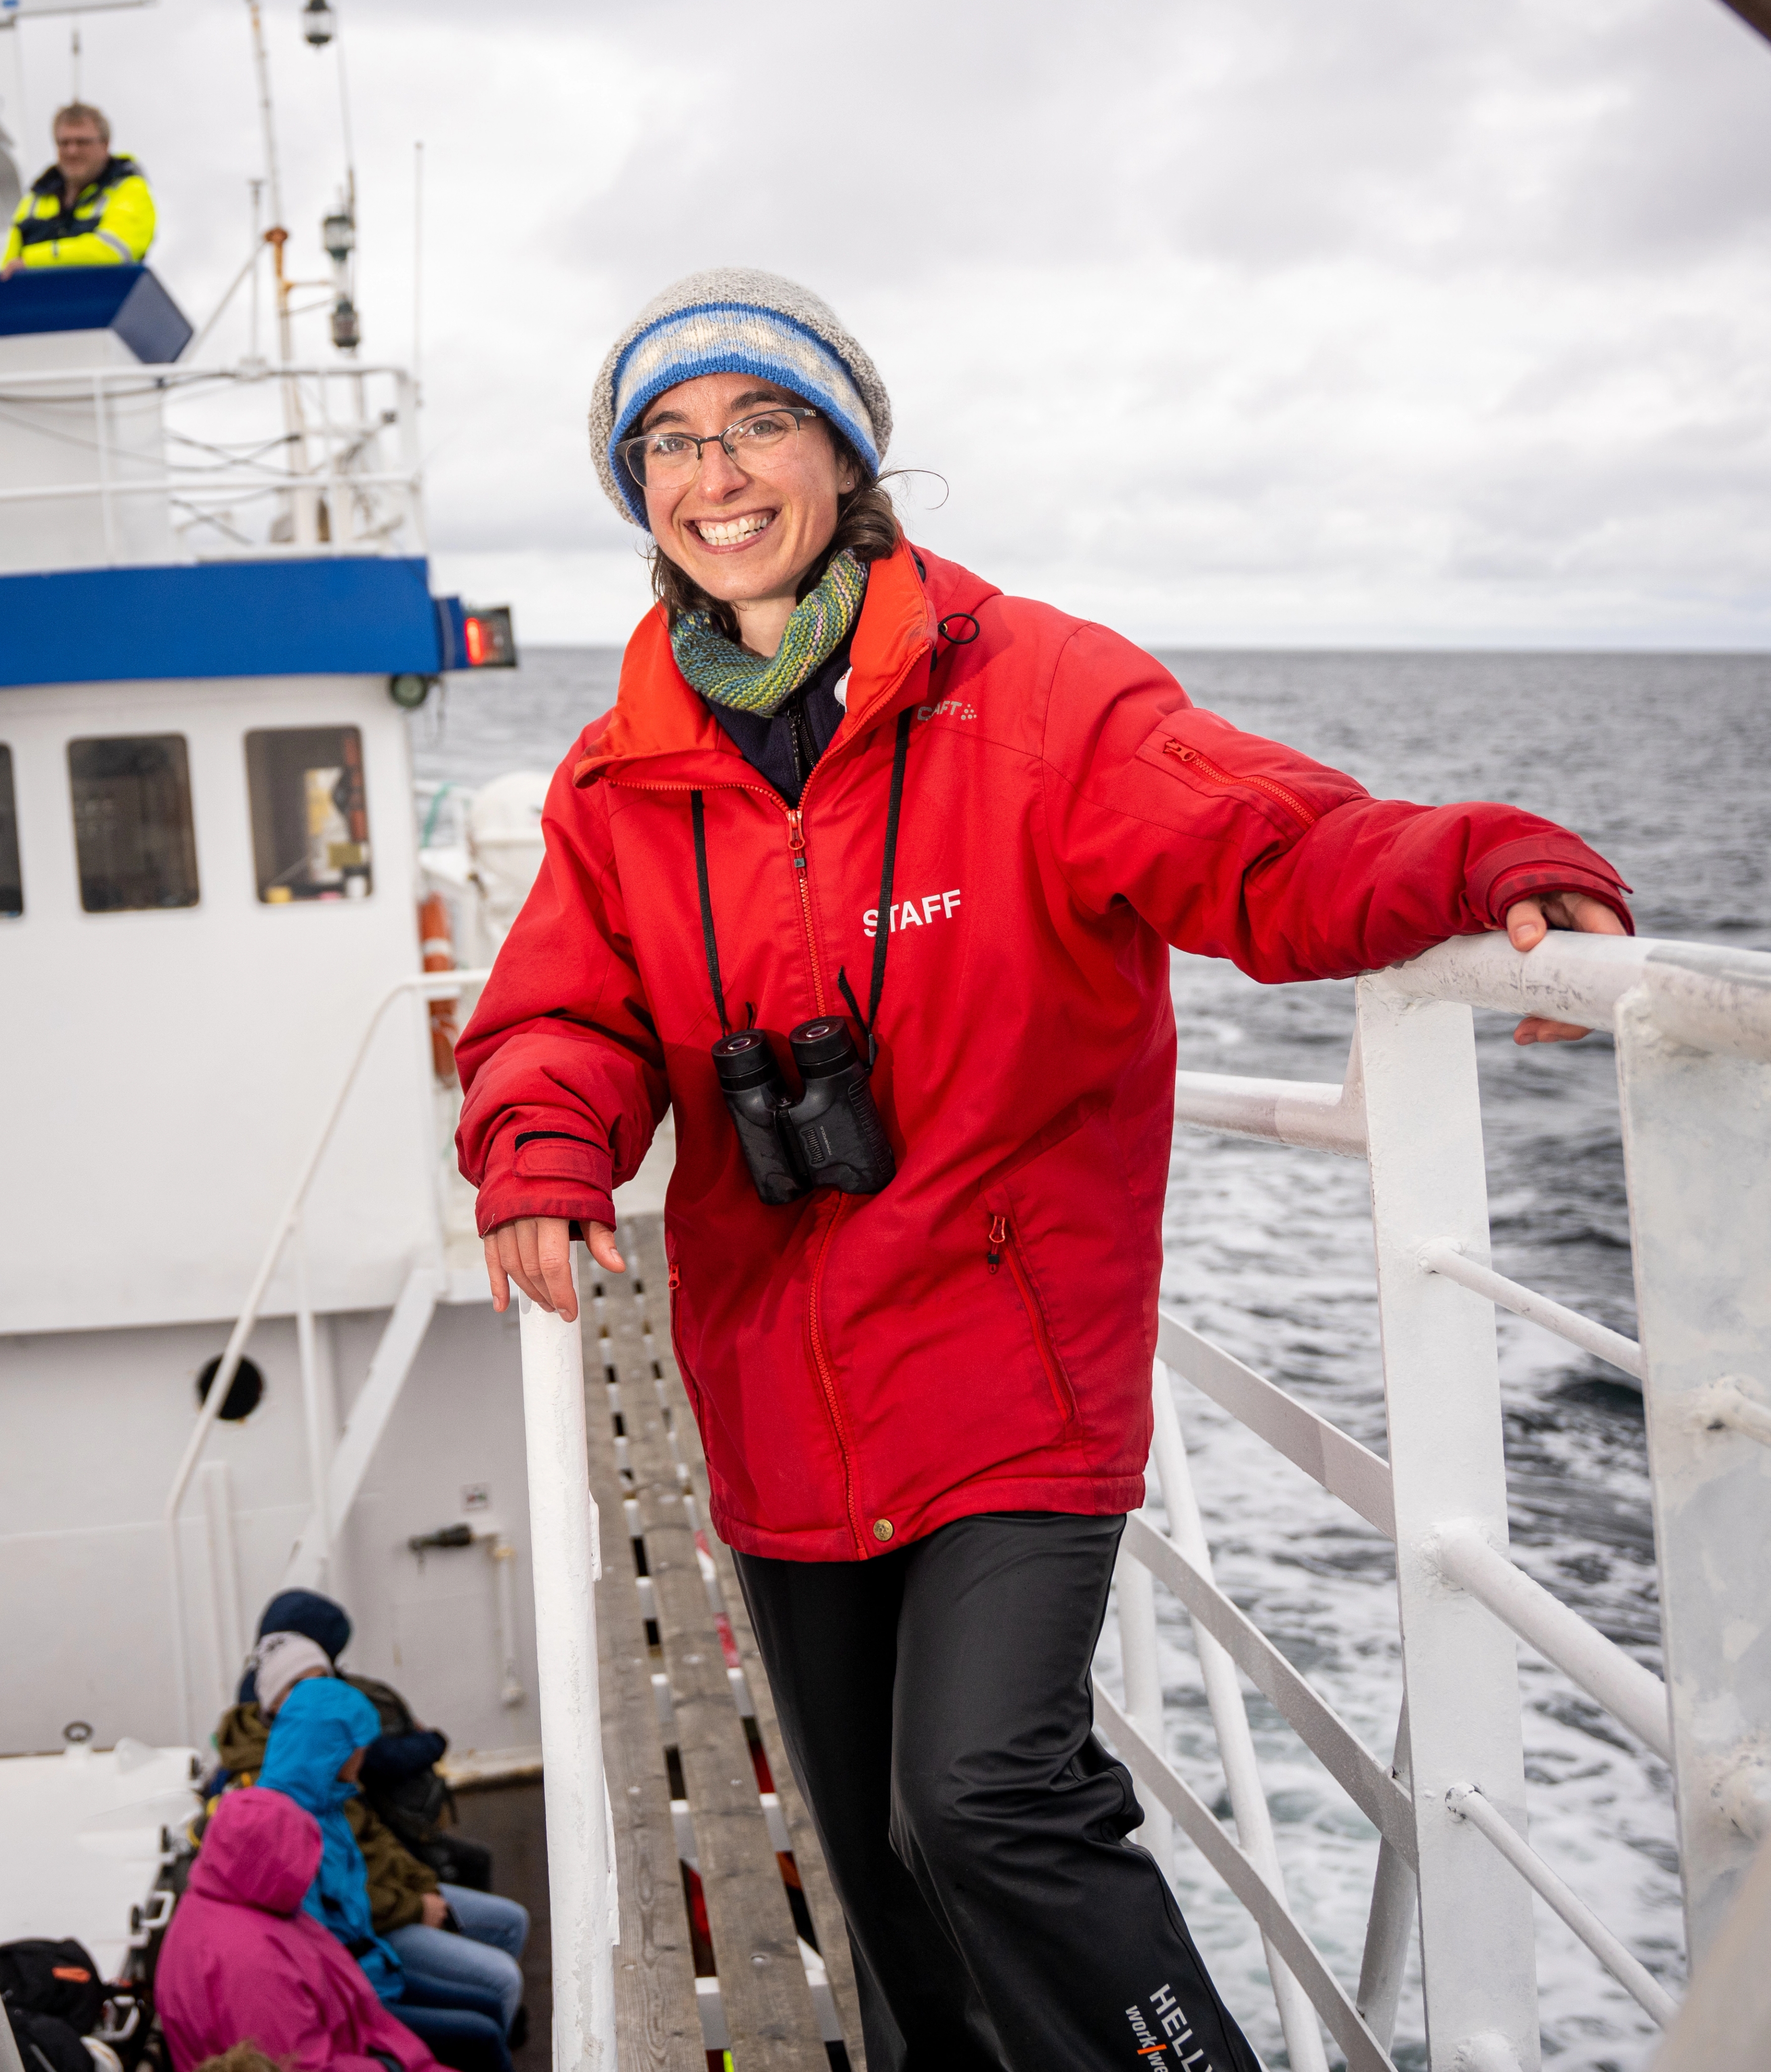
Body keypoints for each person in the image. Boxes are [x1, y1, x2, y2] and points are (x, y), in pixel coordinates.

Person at [455, 268, 1635, 2071]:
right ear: (638, 492)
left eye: (759, 421)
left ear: (845, 453)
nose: (717, 473)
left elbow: (1264, 844)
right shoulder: (622, 774)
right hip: (776, 1382)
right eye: (670, 443)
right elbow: (565, 1011)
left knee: (985, 1793)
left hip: (1008, 1348)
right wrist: (543, 1148)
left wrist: (1482, 866)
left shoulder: (1032, 689)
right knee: (889, 1885)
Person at [253, 1677, 521, 2069]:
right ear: (334, 1750)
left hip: (375, 1965)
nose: (364, 1757)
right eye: (358, 1747)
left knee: (489, 2007)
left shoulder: (335, 1802)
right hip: (354, 1987)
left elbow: (383, 1856)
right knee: (483, 2027)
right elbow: (322, 1936)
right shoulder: (288, 1828)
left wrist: (424, 1888)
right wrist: (415, 1906)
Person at [154, 1786, 441, 2072]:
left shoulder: (225, 1901)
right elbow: (301, 2065)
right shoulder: (251, 1963)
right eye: (299, 1857)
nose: (309, 1872)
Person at [228, 1587, 492, 1890]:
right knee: (472, 1867)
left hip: (367, 1839)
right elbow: (379, 1760)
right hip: (376, 1838)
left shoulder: (262, 1698)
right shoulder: (306, 1719)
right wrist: (434, 1742)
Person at [0, 103, 155, 276]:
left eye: (82, 143)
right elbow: (8, 268)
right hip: (37, 295)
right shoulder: (34, 199)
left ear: (105, 145)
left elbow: (112, 251)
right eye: (64, 143)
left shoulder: (130, 190)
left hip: (104, 293)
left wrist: (33, 260)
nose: (72, 151)